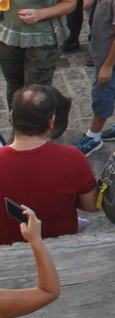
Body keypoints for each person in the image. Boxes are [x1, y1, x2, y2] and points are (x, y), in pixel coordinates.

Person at [0, 86, 96, 246]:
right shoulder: (72, 158)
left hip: (7, 250)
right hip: (59, 246)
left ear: (11, 115)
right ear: (51, 121)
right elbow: (91, 205)